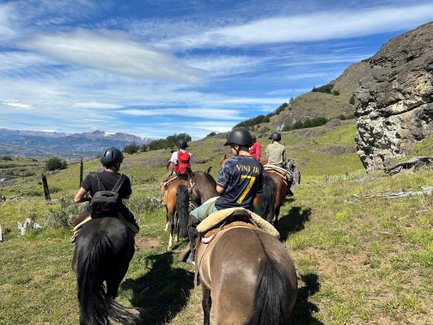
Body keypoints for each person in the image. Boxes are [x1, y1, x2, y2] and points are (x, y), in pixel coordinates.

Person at [185, 128, 264, 264]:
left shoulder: (230, 163)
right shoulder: (259, 166)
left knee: (193, 217)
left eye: (232, 146)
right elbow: (258, 193)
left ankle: (194, 255)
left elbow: (219, 189)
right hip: (247, 208)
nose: (231, 150)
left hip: (224, 207)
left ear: (237, 146)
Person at [73, 147, 139, 231]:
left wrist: (89, 198)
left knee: (77, 227)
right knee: (134, 228)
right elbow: (127, 196)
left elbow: (77, 199)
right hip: (117, 209)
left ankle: (75, 237)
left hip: (94, 209)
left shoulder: (92, 177)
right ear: (117, 163)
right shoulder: (124, 179)